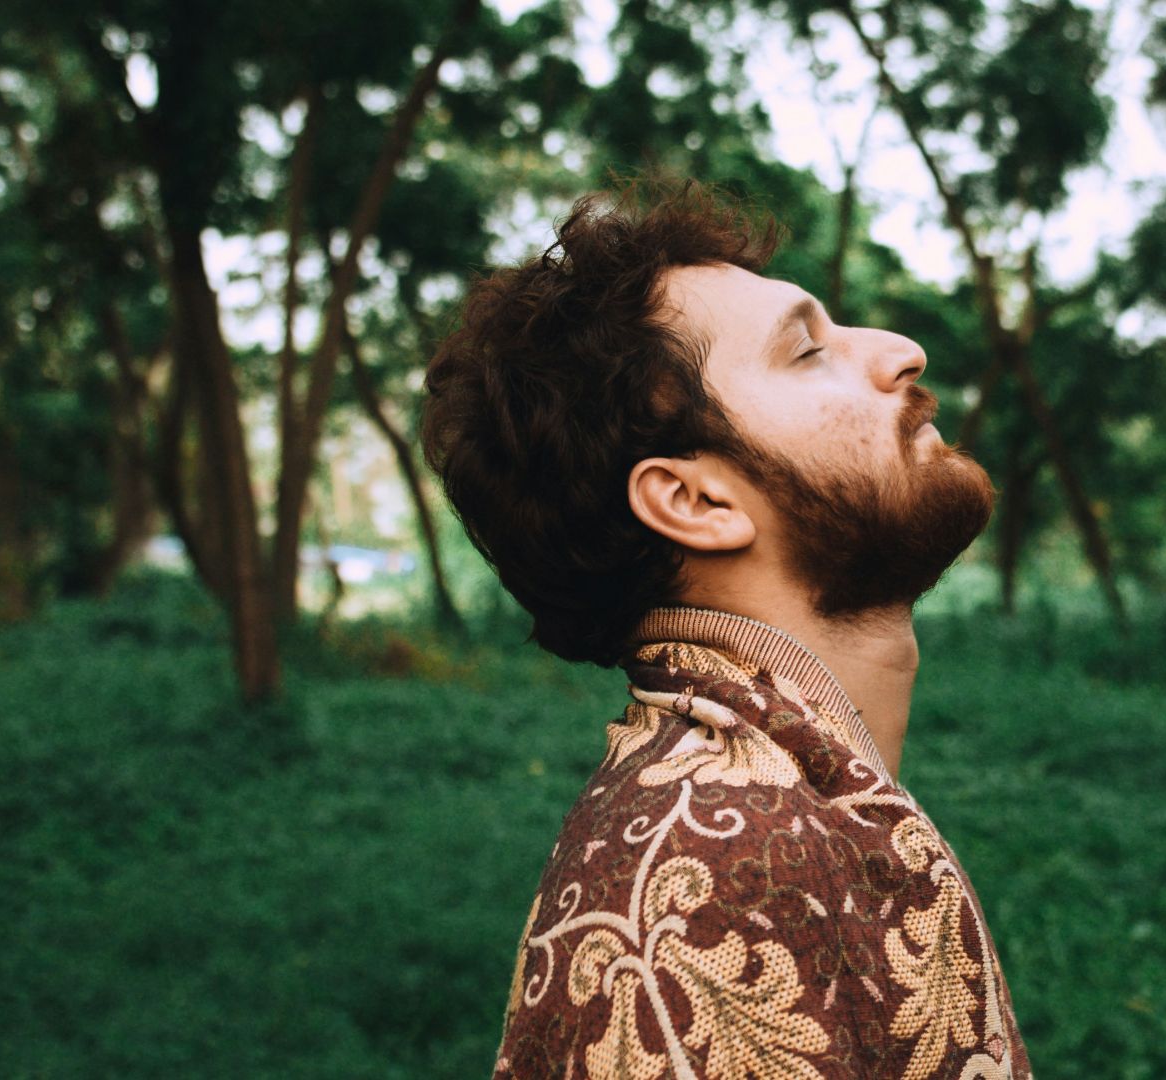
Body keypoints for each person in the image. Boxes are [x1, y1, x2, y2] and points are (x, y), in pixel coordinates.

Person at [421, 175, 1028, 1080]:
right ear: (696, 499)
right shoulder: (721, 864)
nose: (902, 352)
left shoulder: (771, 803)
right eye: (807, 351)